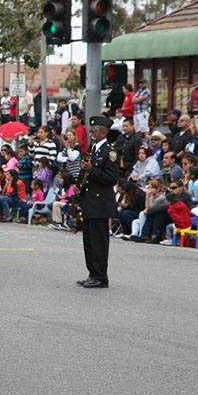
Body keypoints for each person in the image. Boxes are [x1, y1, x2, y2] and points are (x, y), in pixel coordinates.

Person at [76, 117, 119, 289]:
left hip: (101, 203)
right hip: (90, 201)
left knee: (99, 242)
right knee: (89, 241)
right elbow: (91, 178)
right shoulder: (93, 151)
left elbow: (111, 178)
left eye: (94, 129)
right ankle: (92, 273)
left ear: (103, 132)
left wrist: (90, 170)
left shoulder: (110, 153)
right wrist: (81, 187)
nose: (91, 132)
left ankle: (101, 276)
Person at [131, 179, 167, 244]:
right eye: (149, 188)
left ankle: (155, 236)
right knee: (144, 215)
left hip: (162, 216)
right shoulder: (151, 197)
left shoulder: (161, 198)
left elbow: (150, 209)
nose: (149, 190)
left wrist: (147, 197)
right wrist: (147, 198)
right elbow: (147, 208)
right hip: (152, 214)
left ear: (158, 189)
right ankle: (143, 235)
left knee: (155, 214)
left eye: (152, 188)